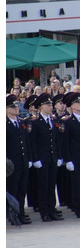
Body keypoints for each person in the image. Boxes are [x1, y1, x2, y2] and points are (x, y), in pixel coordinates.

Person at [28, 93, 64, 222]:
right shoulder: (36, 122)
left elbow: (56, 140)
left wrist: (59, 156)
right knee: (43, 185)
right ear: (40, 107)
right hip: (42, 159)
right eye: (47, 105)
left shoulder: (53, 121)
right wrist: (35, 159)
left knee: (51, 185)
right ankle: (44, 211)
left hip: (52, 157)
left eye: (51, 105)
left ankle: (51, 208)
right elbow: (33, 143)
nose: (50, 107)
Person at [6, 94, 32, 225]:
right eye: (12, 106)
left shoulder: (21, 123)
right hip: (12, 164)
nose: (16, 108)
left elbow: (26, 143)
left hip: (23, 162)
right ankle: (13, 215)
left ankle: (21, 213)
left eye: (16, 106)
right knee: (13, 190)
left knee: (22, 190)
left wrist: (29, 159)